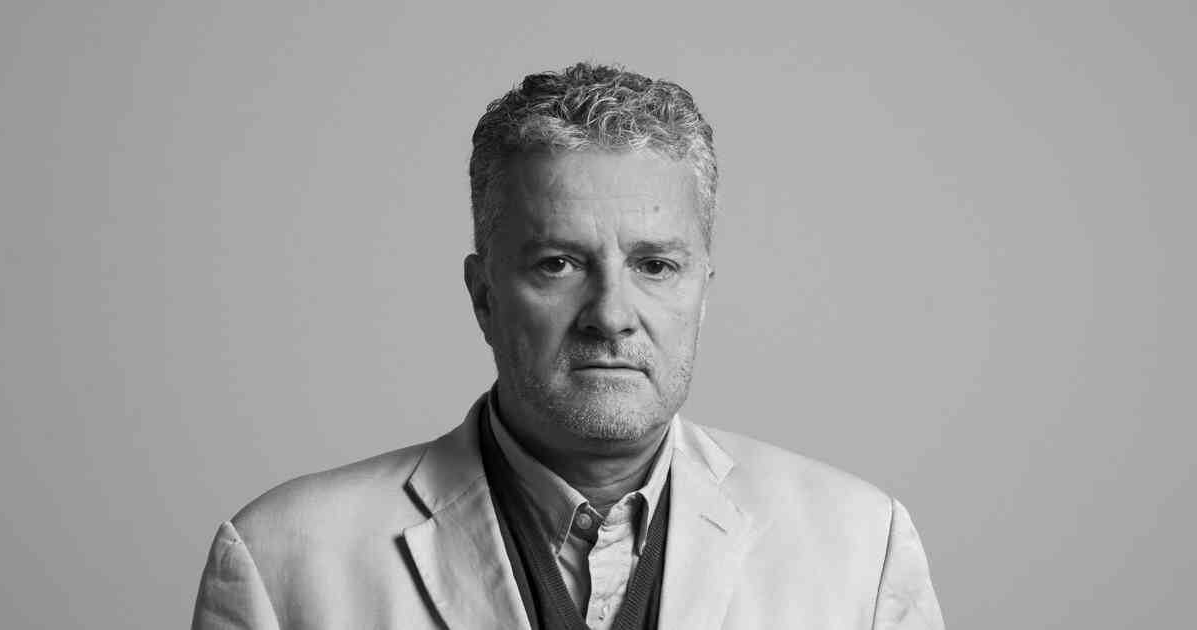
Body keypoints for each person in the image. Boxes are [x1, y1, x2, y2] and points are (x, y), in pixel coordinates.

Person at [192, 62, 945, 630]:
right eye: (558, 264)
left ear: (702, 292)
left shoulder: (860, 549)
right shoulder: (284, 560)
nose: (611, 315)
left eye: (655, 266)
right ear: (484, 295)